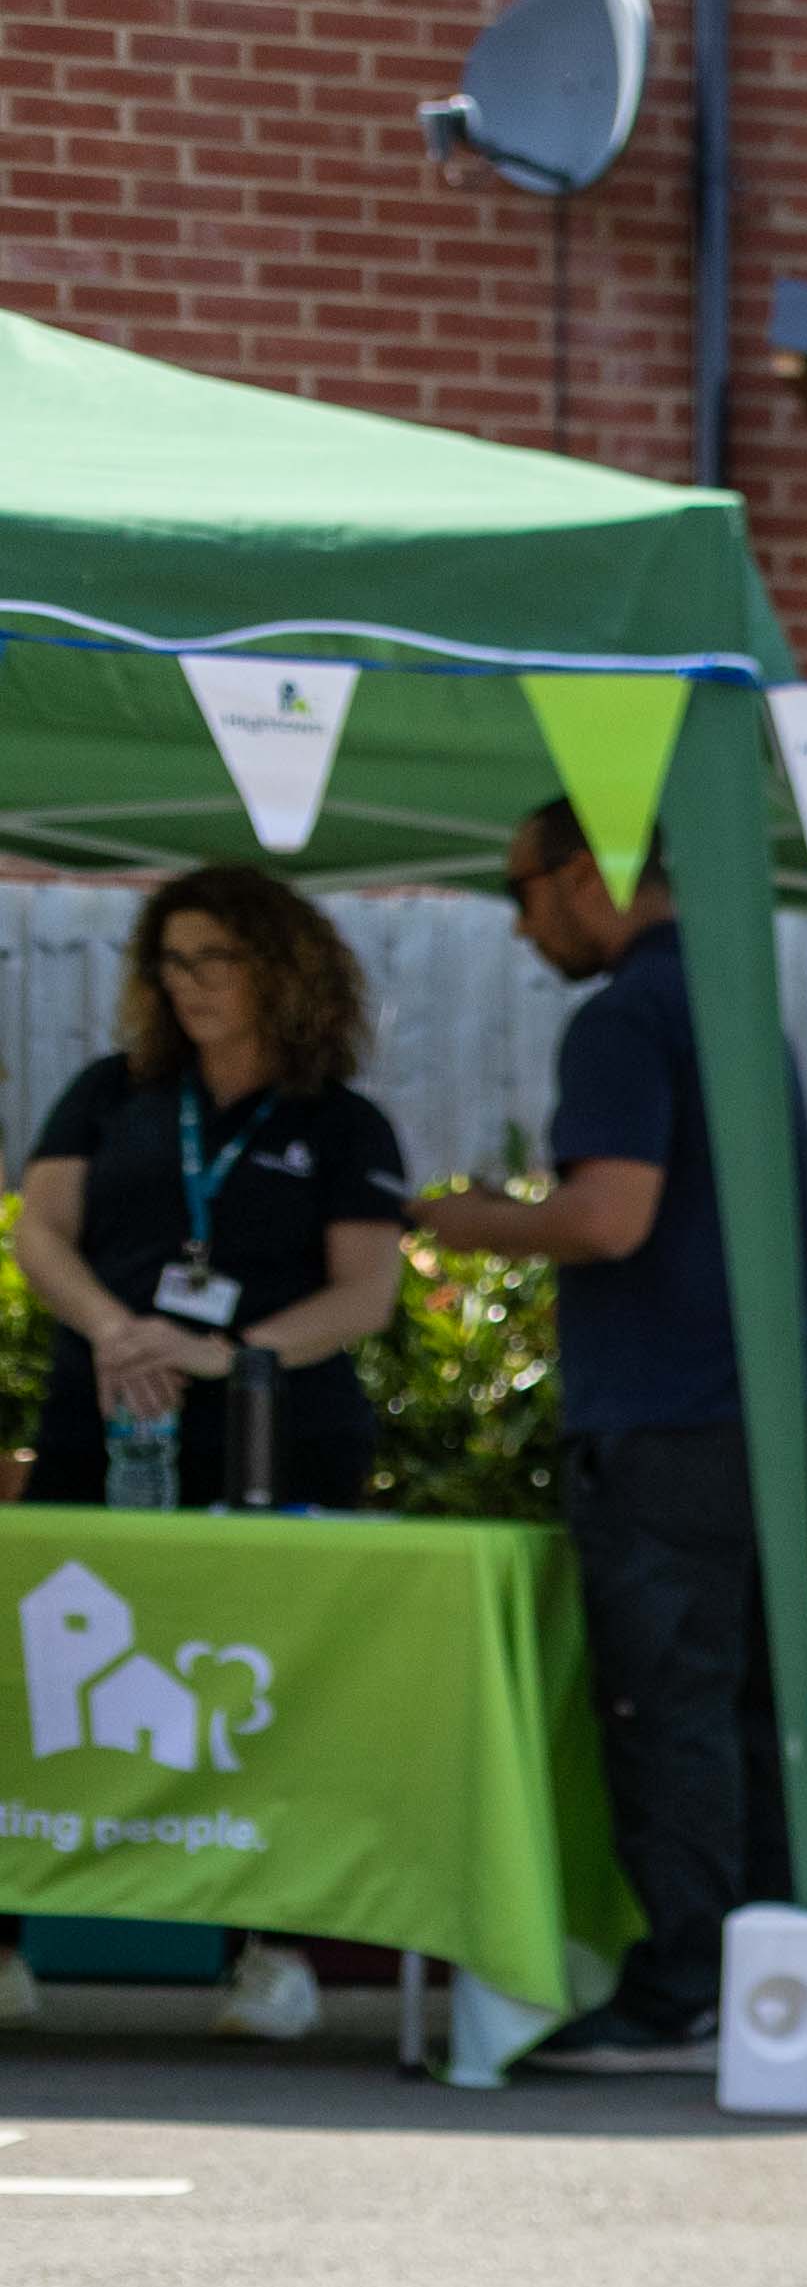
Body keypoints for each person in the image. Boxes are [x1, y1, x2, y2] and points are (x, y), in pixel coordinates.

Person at [415, 801, 807, 2080]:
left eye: (525, 889)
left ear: (588, 873)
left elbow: (608, 1218)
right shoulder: (728, 1002)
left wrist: (466, 1221)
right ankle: (766, 1984)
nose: (522, 921)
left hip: (668, 1419)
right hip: (768, 1410)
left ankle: (682, 1988)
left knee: (669, 1707)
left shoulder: (623, 1018)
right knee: (749, 1703)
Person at [11, 861, 416, 2041]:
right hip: (102, 1423)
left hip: (273, 1441)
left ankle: (271, 1954)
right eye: (172, 961)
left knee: (262, 1694)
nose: (190, 985)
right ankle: (15, 1939)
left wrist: (222, 1352)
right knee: (52, 1684)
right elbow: (42, 1230)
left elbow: (364, 1297)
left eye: (217, 959)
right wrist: (114, 1329)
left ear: (281, 970)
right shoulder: (110, 1093)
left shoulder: (340, 1122)